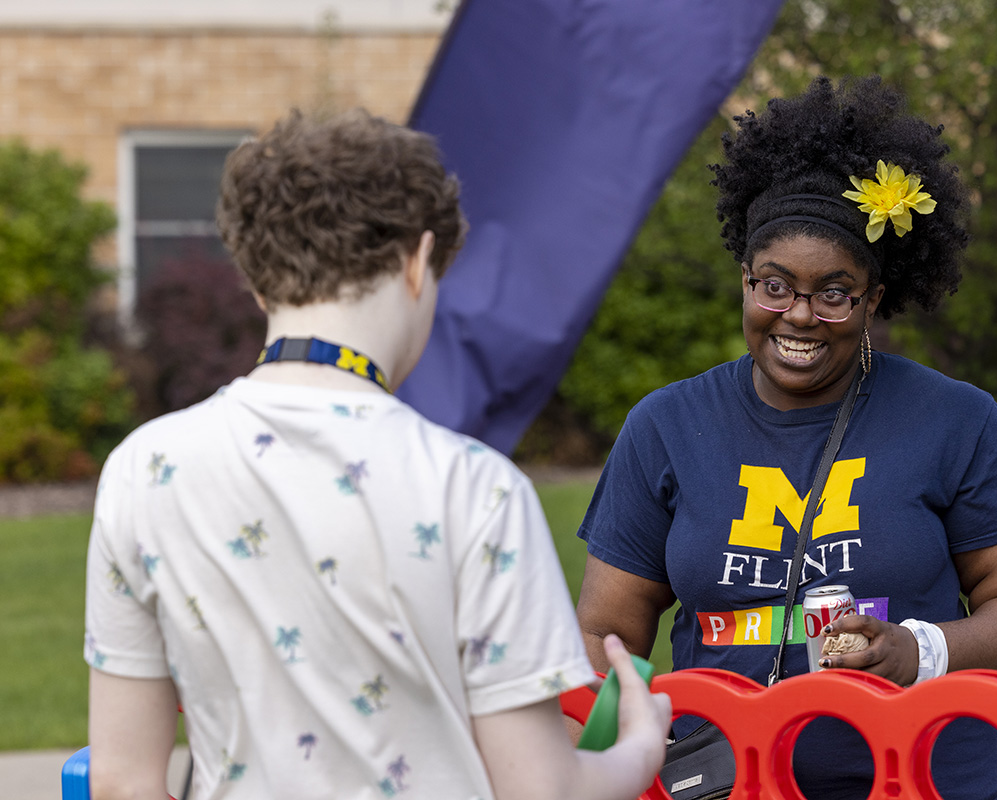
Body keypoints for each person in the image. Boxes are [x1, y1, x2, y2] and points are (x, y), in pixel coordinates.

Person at [84, 108, 671, 800]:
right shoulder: (473, 489)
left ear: (256, 276)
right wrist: (639, 741)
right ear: (418, 261)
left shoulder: (143, 469)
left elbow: (122, 782)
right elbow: (540, 791)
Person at [574, 76, 997, 800]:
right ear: (745, 281)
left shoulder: (955, 419)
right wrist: (603, 756)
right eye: (774, 285)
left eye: (833, 293)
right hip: (724, 783)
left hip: (921, 783)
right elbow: (605, 636)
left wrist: (922, 649)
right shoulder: (667, 426)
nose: (799, 315)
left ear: (872, 298)